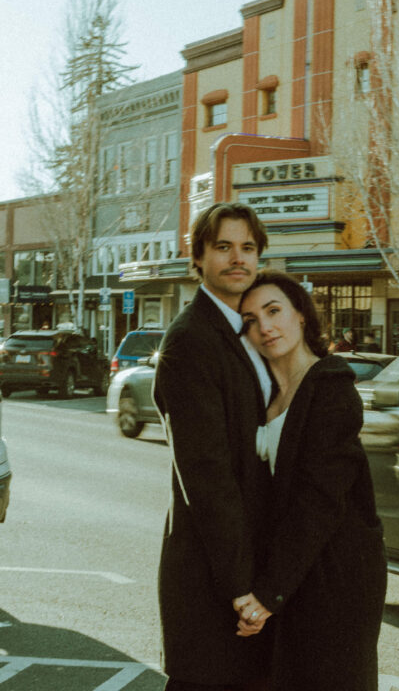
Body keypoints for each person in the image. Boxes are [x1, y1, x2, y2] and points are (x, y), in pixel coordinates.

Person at [234, 271, 387, 691]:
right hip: (291, 576)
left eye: (273, 311)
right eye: (249, 320)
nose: (264, 327)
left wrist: (267, 595)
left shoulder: (331, 388)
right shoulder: (262, 396)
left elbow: (319, 501)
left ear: (301, 315)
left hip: (333, 583)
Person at [153, 202, 273, 691]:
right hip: (213, 575)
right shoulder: (190, 340)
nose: (237, 258)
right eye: (223, 247)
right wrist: (240, 586)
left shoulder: (254, 330)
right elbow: (206, 476)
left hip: (255, 565)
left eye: (247, 247)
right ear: (198, 256)